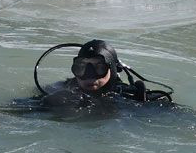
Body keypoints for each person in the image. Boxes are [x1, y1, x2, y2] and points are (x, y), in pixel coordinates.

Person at [36, 39, 173, 110]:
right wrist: (49, 103)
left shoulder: (130, 97)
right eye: (82, 67)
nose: (89, 75)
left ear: (113, 69)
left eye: (99, 67)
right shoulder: (60, 90)